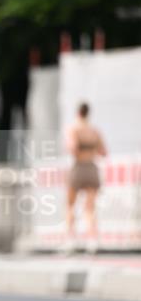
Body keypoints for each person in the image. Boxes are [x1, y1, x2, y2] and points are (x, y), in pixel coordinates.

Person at [64, 102, 107, 254]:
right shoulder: (95, 131)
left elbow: (72, 148)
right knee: (90, 207)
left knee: (70, 205)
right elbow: (103, 152)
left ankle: (71, 240)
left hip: (79, 167)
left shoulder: (74, 129)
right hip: (92, 168)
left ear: (78, 113)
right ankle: (92, 240)